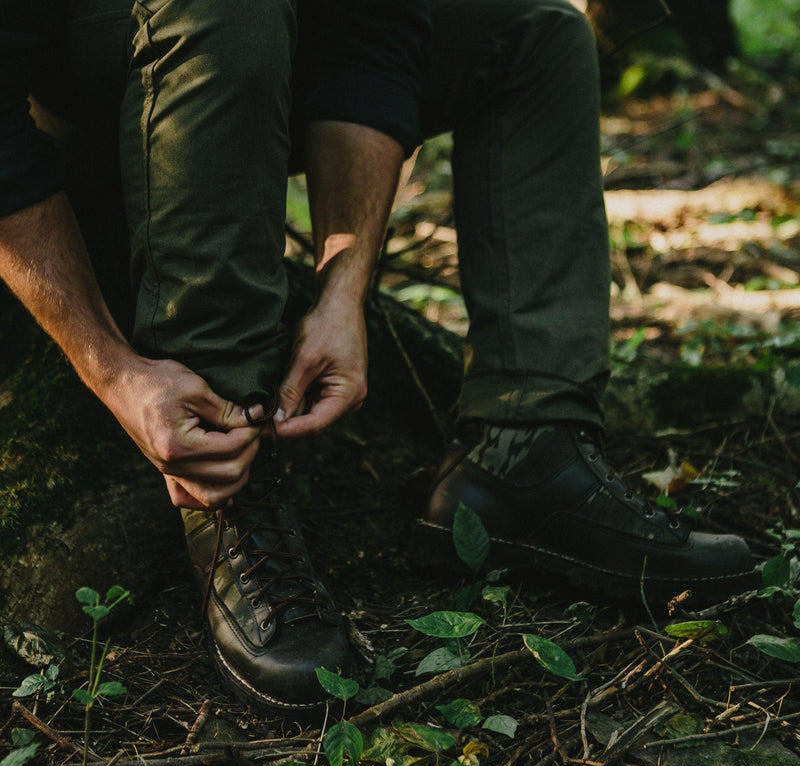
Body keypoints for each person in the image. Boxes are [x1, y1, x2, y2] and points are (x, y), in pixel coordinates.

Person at [0, 0, 757, 712]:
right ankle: (224, 480)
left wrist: (343, 289)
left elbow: (372, 34)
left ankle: (528, 448)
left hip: (257, 61)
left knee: (533, 28)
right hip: (88, 92)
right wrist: (113, 368)